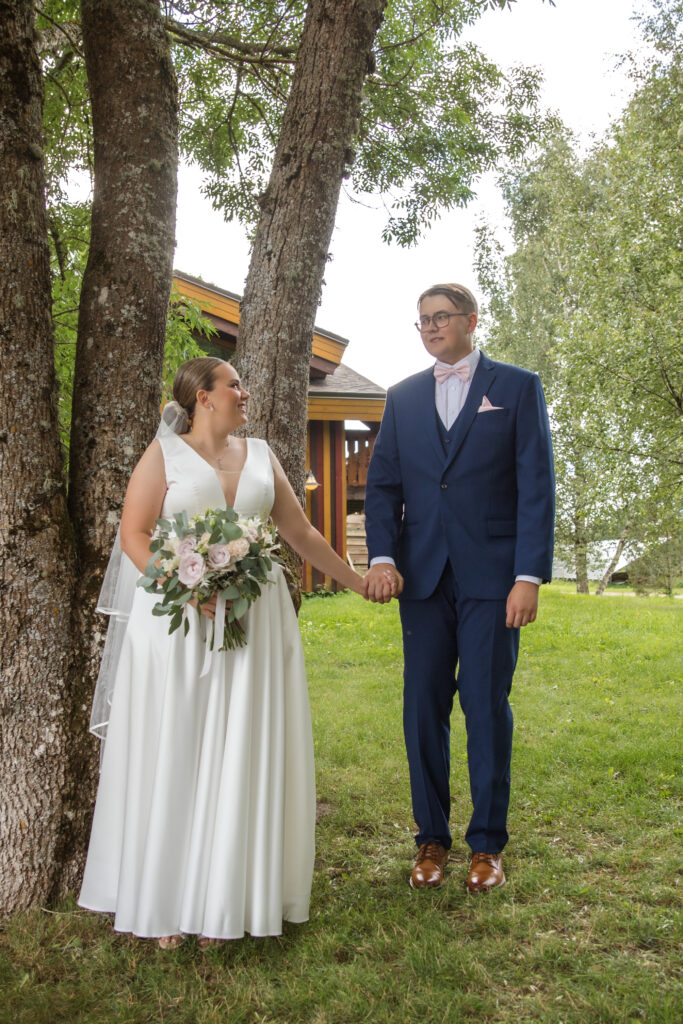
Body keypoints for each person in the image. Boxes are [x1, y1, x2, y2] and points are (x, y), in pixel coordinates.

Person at [79, 357, 367, 946]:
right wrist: (187, 588)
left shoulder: (261, 454)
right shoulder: (163, 454)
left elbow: (300, 532)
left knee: (243, 746)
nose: (245, 393)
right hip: (180, 624)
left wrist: (358, 582)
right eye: (234, 385)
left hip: (257, 619)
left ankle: (228, 902)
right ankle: (164, 905)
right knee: (178, 746)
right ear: (203, 398)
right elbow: (134, 535)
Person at [364, 283, 554, 893]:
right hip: (421, 578)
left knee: (484, 703)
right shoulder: (402, 397)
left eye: (440, 317)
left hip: (494, 578)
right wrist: (383, 557)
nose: (430, 327)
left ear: (471, 320)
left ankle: (488, 844)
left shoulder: (517, 388)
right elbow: (383, 486)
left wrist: (527, 576)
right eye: (422, 320)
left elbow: (536, 485)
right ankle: (431, 839)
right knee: (422, 706)